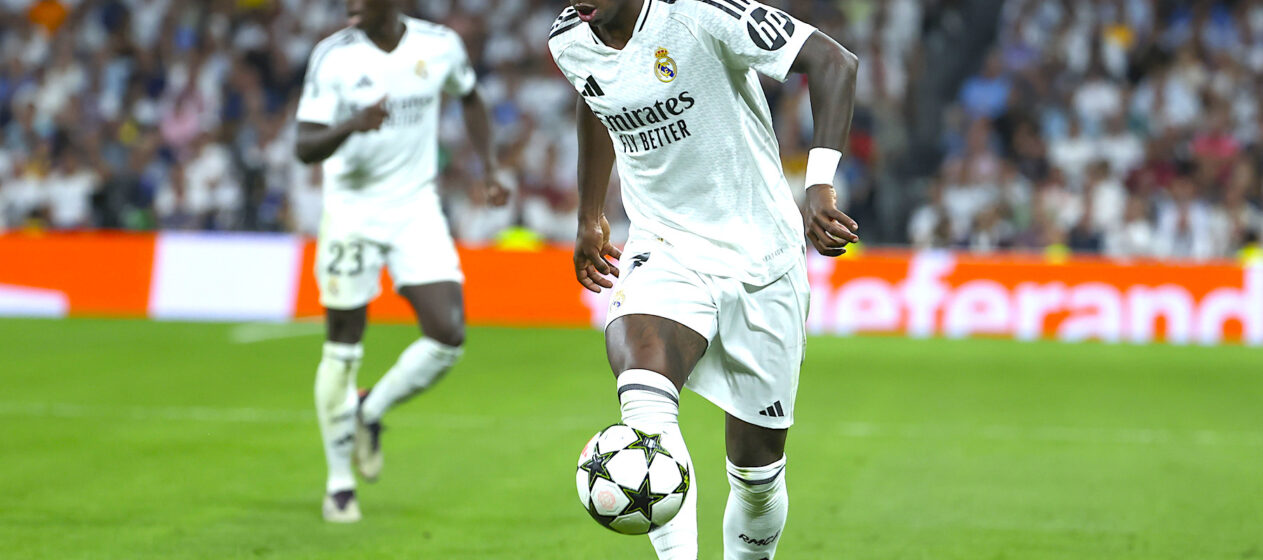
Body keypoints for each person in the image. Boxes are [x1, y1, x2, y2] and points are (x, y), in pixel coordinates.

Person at [549, 0, 859, 557]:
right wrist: (589, 214)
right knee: (645, 408)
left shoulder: (698, 14)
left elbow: (834, 62)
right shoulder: (570, 37)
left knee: (757, 477)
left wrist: (818, 186)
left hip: (761, 259)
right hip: (664, 246)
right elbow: (593, 94)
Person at [294, 0, 508, 523]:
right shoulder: (333, 56)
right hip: (352, 212)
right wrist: (352, 124)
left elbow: (471, 96)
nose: (349, 5)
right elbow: (304, 146)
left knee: (448, 333)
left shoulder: (438, 46)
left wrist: (490, 167)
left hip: (415, 207)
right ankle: (339, 483)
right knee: (343, 345)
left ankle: (368, 410)